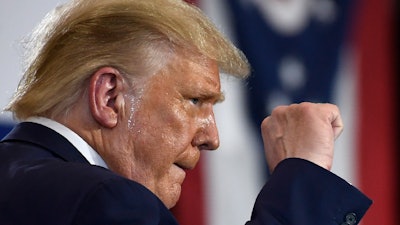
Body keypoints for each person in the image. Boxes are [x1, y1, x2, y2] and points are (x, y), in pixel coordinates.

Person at [0, 0, 371, 224]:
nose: (212, 138)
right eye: (195, 101)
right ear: (109, 96)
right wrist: (303, 175)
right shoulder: (106, 201)